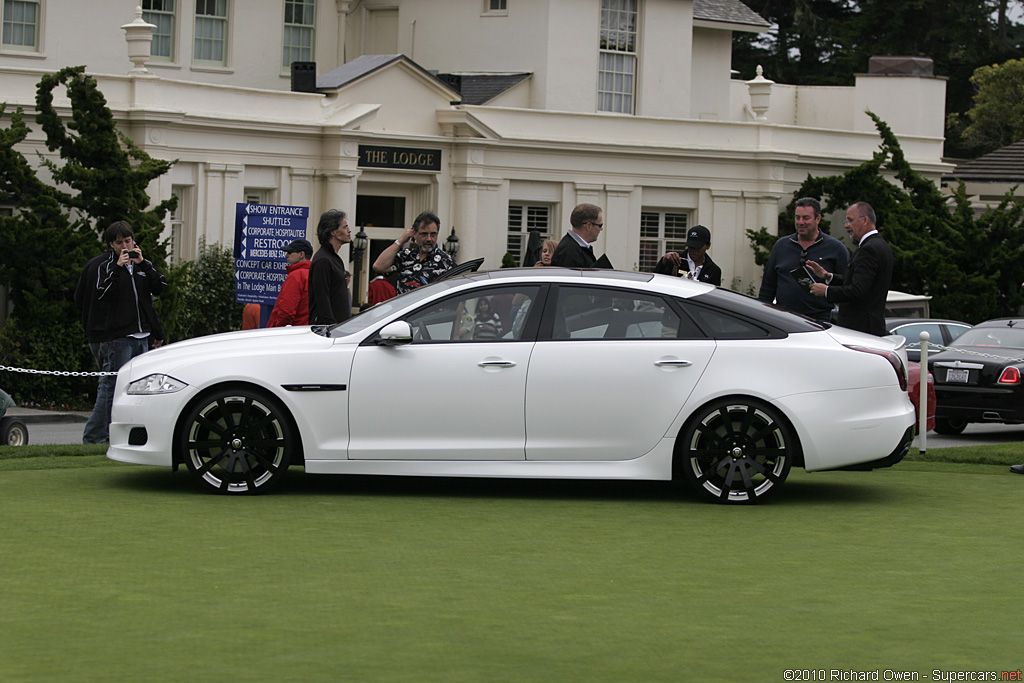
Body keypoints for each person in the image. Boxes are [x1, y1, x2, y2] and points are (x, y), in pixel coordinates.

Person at [74, 220, 167, 444]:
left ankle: (129, 436)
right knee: (111, 387)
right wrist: (117, 268)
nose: (125, 246)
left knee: (137, 390)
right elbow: (101, 296)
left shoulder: (141, 266)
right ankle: (95, 437)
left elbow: (159, 289)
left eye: (128, 241)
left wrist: (143, 264)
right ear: (111, 244)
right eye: (119, 243)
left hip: (141, 335)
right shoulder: (103, 266)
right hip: (115, 338)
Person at [757, 197, 850, 323]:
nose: (800, 222)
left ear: (818, 219)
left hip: (818, 320)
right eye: (797, 217)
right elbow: (768, 287)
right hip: (783, 318)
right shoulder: (781, 246)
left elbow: (846, 286)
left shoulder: (836, 248)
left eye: (806, 218)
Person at [808, 202, 893, 336]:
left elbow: (858, 290)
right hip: (869, 326)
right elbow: (861, 282)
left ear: (865, 220)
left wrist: (827, 291)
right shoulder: (880, 245)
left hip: (860, 329)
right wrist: (828, 276)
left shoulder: (869, 249)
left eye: (850, 220)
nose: (846, 225)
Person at [372, 210, 456, 294]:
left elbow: (457, 295)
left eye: (433, 234)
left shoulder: (447, 261)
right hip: (405, 306)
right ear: (414, 233)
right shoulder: (406, 255)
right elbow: (378, 266)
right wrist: (401, 240)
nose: (429, 239)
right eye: (424, 234)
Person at [308, 209, 352, 325]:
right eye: (345, 227)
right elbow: (322, 297)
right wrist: (331, 326)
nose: (349, 231)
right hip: (328, 330)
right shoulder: (323, 260)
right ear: (333, 232)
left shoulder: (333, 259)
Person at [653, 225, 722, 286]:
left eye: (698, 247)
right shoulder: (674, 260)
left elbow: (712, 295)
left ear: (708, 246)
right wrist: (664, 261)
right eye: (691, 247)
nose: (694, 251)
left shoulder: (713, 271)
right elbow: (656, 281)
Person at [267, 238, 312, 327]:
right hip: (308, 330)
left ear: (301, 254)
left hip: (292, 332)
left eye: (290, 252)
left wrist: (279, 329)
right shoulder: (315, 274)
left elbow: (286, 311)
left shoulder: (296, 276)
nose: (286, 256)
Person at [550, 203, 603, 268]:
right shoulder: (569, 252)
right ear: (588, 226)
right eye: (600, 225)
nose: (601, 229)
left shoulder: (576, 247)